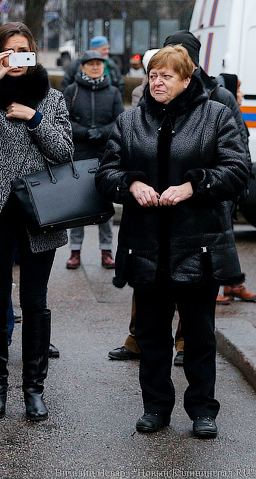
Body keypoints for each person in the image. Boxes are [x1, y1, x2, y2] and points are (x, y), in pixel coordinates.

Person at [96, 45, 249, 439]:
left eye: (166, 75)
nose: (157, 82)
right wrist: (131, 183)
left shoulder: (215, 116)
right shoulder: (131, 121)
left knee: (199, 333)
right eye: (153, 75)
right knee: (151, 333)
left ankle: (202, 409)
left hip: (199, 243)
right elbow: (106, 172)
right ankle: (156, 408)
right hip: (146, 244)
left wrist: (193, 186)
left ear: (186, 79)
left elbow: (236, 170)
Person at [0, 22, 73, 422]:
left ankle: (34, 390)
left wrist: (34, 118)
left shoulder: (52, 99)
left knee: (35, 302)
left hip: (41, 211)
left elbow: (64, 152)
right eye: (9, 52)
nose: (17, 59)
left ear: (34, 54)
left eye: (23, 51)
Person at [62, 50, 125, 270]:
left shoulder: (113, 92)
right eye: (91, 64)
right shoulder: (73, 90)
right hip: (79, 155)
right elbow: (64, 121)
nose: (95, 67)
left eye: (99, 64)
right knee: (78, 206)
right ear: (83, 67)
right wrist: (85, 131)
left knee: (104, 205)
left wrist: (102, 131)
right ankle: (75, 251)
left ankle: (107, 251)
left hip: (105, 156)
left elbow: (120, 121)